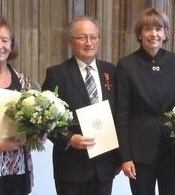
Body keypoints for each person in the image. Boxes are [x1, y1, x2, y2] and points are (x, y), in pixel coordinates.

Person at [42, 16, 119, 195]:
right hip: (71, 165)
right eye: (82, 37)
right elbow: (47, 120)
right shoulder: (56, 74)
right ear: (70, 41)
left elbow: (120, 114)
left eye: (94, 37)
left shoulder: (112, 71)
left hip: (104, 164)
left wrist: (119, 158)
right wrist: (68, 138)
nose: (89, 42)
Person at [114, 8, 175, 195]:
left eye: (159, 29)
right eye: (148, 29)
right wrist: (125, 157)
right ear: (140, 34)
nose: (154, 34)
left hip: (172, 149)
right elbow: (121, 115)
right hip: (140, 152)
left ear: (165, 33)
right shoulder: (126, 65)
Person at [0, 16, 35, 195]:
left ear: (12, 45)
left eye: (5, 40)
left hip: (18, 168)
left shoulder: (23, 81)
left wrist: (38, 133)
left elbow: (31, 122)